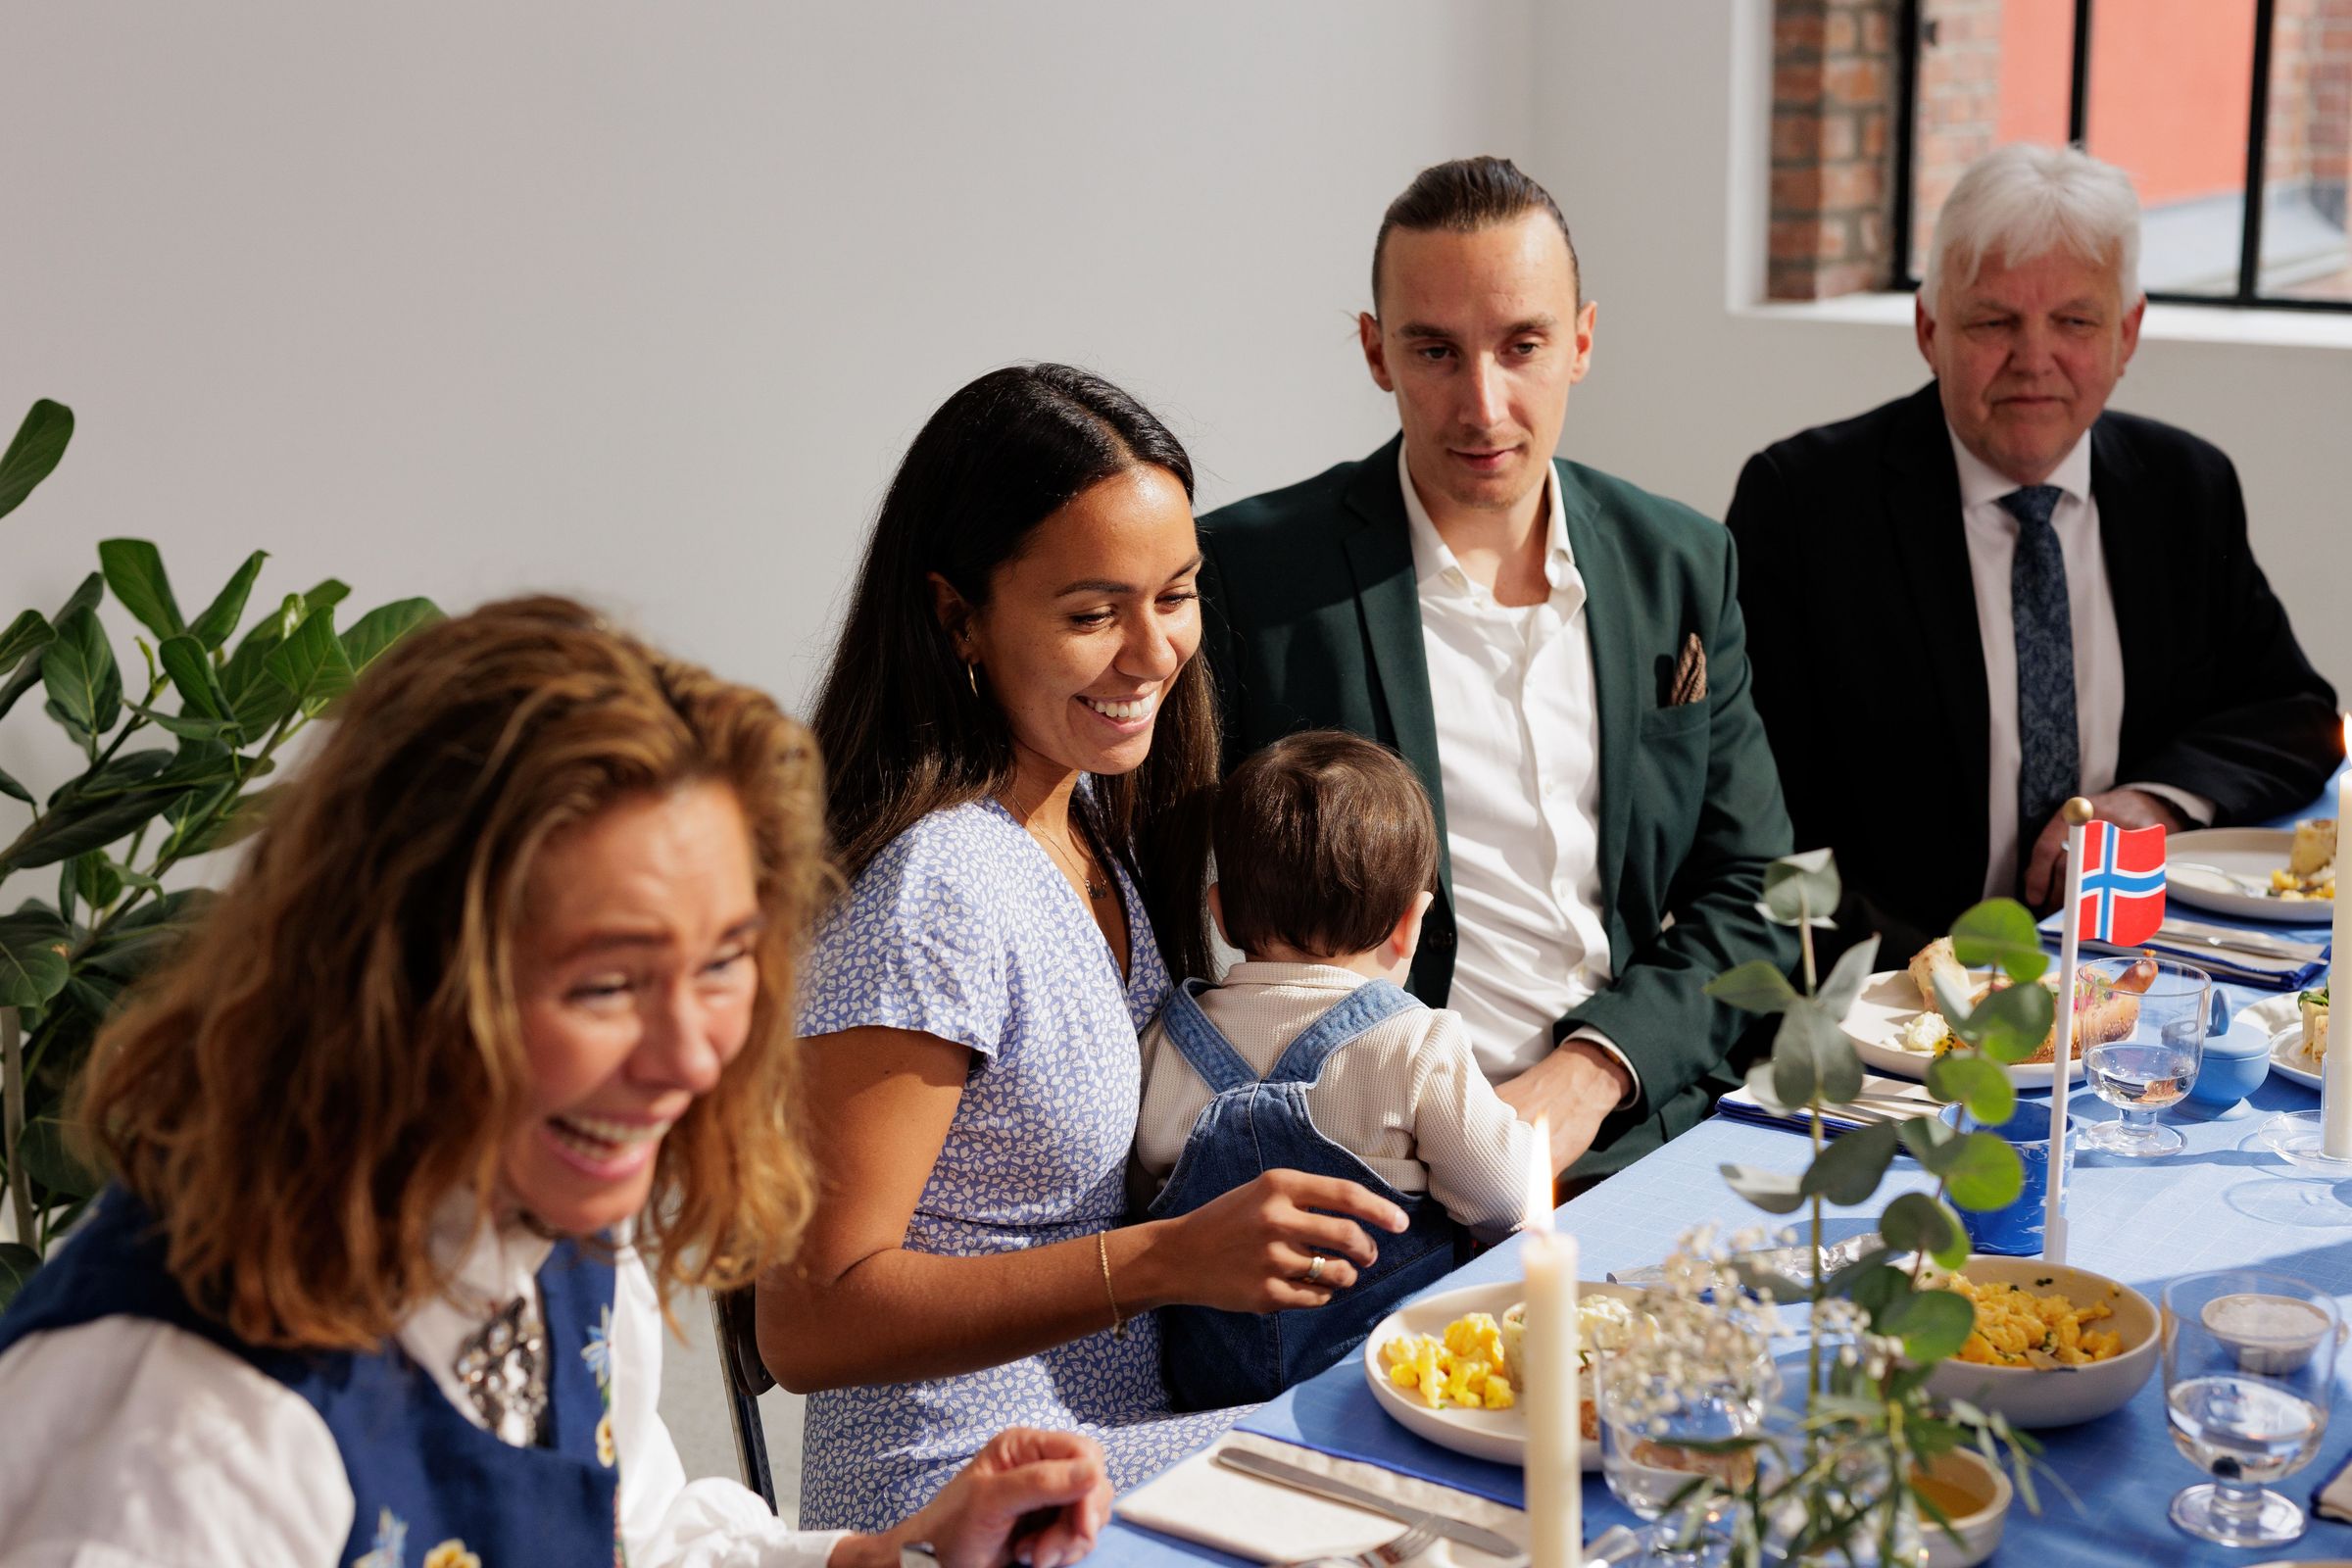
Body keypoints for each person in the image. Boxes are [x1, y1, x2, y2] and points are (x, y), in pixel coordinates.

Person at [0, 596, 1119, 1568]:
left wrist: (894, 1555)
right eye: (603, 985)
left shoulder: (552, 1210)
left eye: (723, 962)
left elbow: (640, 1536)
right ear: (391, 980)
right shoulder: (180, 1428)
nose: (690, 1058)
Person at [759, 365, 1409, 1532]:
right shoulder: (937, 891)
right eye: (1092, 613)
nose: (1154, 652)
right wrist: (1161, 1261)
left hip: (1115, 1446)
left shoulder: (1087, 822)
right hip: (965, 1497)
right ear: (957, 615)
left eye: (1178, 593)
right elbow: (810, 1322)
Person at [1198, 157, 1798, 1186]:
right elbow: (1180, 906)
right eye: (1436, 350)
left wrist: (1596, 1068)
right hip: (1374, 1169)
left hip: (1642, 1128)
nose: (1482, 404)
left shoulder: (1681, 565)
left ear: (1582, 342)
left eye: (1522, 346)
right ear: (1376, 351)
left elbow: (1760, 896)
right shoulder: (1250, 577)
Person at [1726, 143, 2342, 957]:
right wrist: (1945, 979)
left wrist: (2153, 802)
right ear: (1928, 329)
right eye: (1994, 321)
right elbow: (1754, 821)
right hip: (1895, 989)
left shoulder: (2184, 489)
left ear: (2127, 335)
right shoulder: (1803, 506)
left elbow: (2294, 715)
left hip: (2130, 970)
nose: (2034, 359)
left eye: (2075, 322)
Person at [1134, 730, 1534, 1411]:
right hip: (1386, 1384)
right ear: (1411, 923)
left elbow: (1142, 1198)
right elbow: (1504, 1202)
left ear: (1221, 915)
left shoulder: (1164, 1039)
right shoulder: (1415, 1042)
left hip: (1205, 1392)